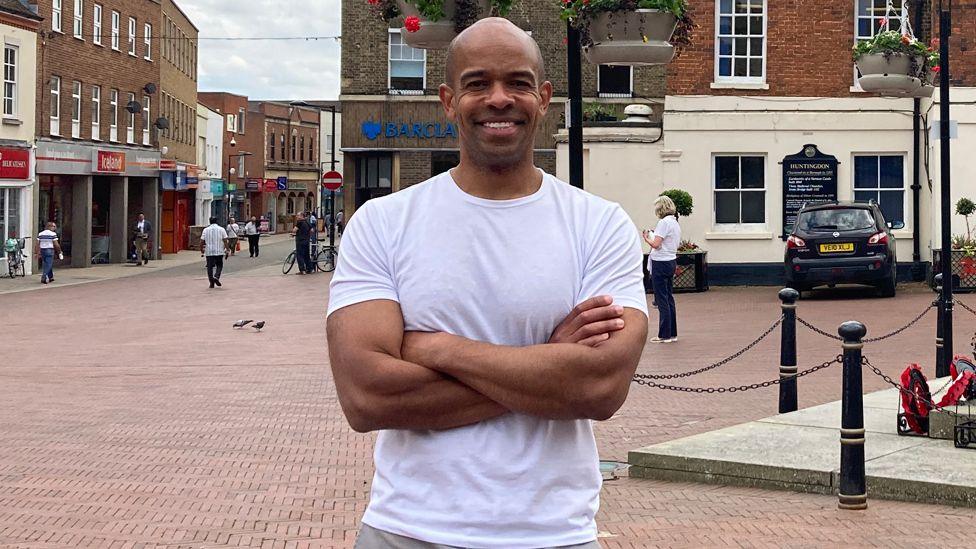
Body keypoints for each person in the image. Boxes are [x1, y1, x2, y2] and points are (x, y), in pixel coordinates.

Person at [327, 18, 648, 549]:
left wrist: (438, 348)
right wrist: (546, 365)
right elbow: (366, 397)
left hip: (553, 534)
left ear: (543, 98)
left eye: (518, 83)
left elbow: (599, 387)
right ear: (449, 101)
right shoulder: (383, 222)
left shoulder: (599, 223)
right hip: (407, 529)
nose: (499, 99)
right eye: (478, 84)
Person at [642, 195, 681, 343]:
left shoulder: (663, 223)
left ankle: (664, 334)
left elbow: (657, 244)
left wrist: (647, 238)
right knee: (669, 297)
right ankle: (672, 333)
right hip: (671, 260)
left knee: (661, 298)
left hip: (660, 262)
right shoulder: (675, 222)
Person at [200, 217, 228, 289]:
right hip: (219, 250)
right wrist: (227, 249)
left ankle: (211, 283)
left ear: (209, 222)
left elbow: (201, 241)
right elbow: (225, 240)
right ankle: (216, 276)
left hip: (209, 251)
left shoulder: (205, 230)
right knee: (219, 265)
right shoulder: (221, 229)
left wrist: (202, 249)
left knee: (209, 267)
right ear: (216, 221)